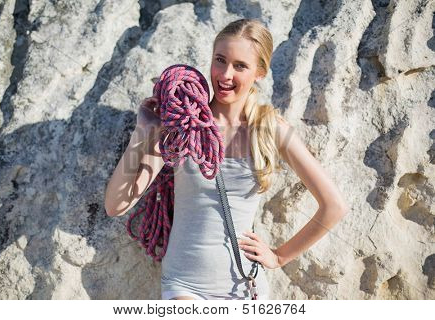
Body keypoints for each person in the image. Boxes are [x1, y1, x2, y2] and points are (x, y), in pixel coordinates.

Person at [104, 18, 348, 300]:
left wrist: (279, 257)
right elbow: (115, 204)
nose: (225, 75)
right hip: (185, 286)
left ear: (260, 72)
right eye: (220, 60)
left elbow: (334, 206)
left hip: (245, 287)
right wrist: (143, 132)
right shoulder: (183, 127)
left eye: (240, 66)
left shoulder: (271, 129)